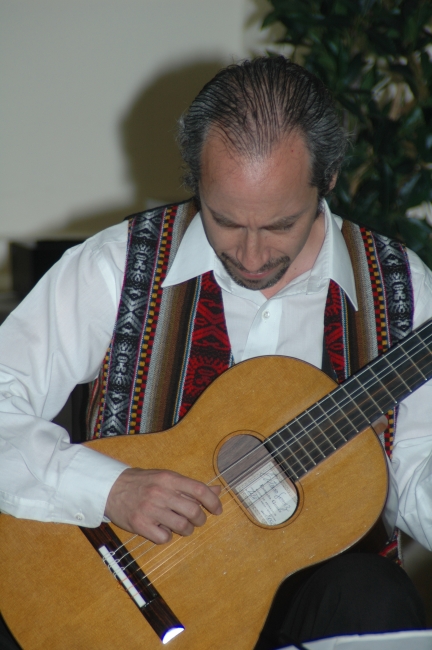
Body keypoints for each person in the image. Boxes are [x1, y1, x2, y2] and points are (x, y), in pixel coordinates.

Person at [0, 56, 431, 648]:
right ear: (196, 178)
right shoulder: (118, 266)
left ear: (327, 179)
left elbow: (417, 466)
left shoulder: (401, 288)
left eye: (280, 225)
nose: (251, 256)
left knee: (373, 592)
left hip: (321, 605)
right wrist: (109, 488)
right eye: (224, 221)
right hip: (127, 596)